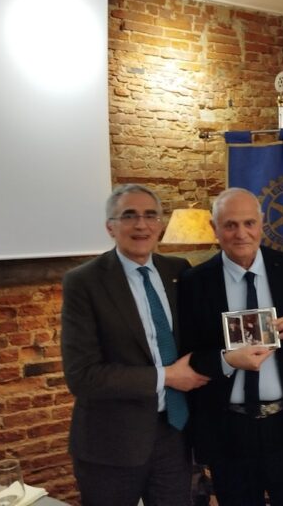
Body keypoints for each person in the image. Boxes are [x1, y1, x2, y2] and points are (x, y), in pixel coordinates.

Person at [178, 187, 283, 506]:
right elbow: (188, 355)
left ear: (261, 224)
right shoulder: (194, 282)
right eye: (230, 225)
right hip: (230, 432)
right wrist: (226, 360)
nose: (241, 234)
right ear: (214, 228)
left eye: (249, 223)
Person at [61, 184, 210, 506]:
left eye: (150, 215)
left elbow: (215, 315)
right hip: (111, 444)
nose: (141, 225)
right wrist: (167, 377)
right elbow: (82, 376)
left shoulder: (179, 270)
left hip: (174, 434)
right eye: (129, 216)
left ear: (160, 224)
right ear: (110, 227)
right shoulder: (83, 282)